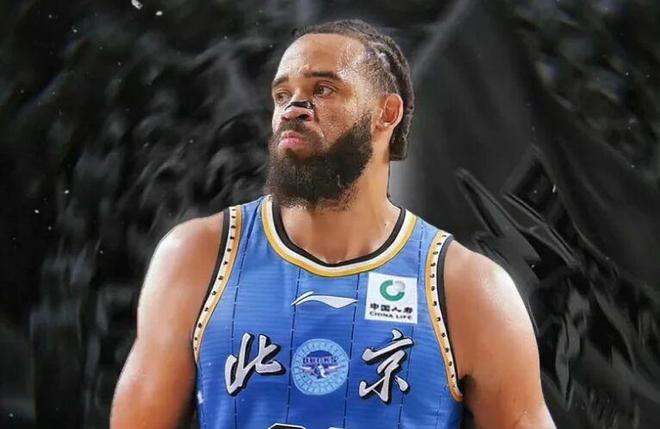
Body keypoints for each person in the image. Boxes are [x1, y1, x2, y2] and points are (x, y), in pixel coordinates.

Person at [111, 19, 556, 429]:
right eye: (282, 94)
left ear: (387, 113)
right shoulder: (197, 257)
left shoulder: (468, 289)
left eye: (323, 89)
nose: (294, 107)